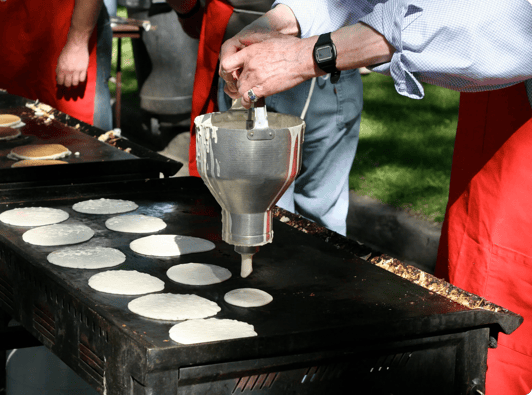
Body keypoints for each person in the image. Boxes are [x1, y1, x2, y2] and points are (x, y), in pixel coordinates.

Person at [219, 1, 532, 394]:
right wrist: (285, 21)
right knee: (482, 354)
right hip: (492, 163)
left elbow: (499, 22)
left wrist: (308, 55)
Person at [168, 0, 389, 236]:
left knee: (257, 213)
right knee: (298, 212)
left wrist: (191, 14)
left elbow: (404, 27)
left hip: (280, 64)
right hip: (269, 66)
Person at [0, 0, 113, 131]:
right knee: (15, 131)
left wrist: (77, 43)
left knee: (81, 141)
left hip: (69, 26)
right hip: (18, 26)